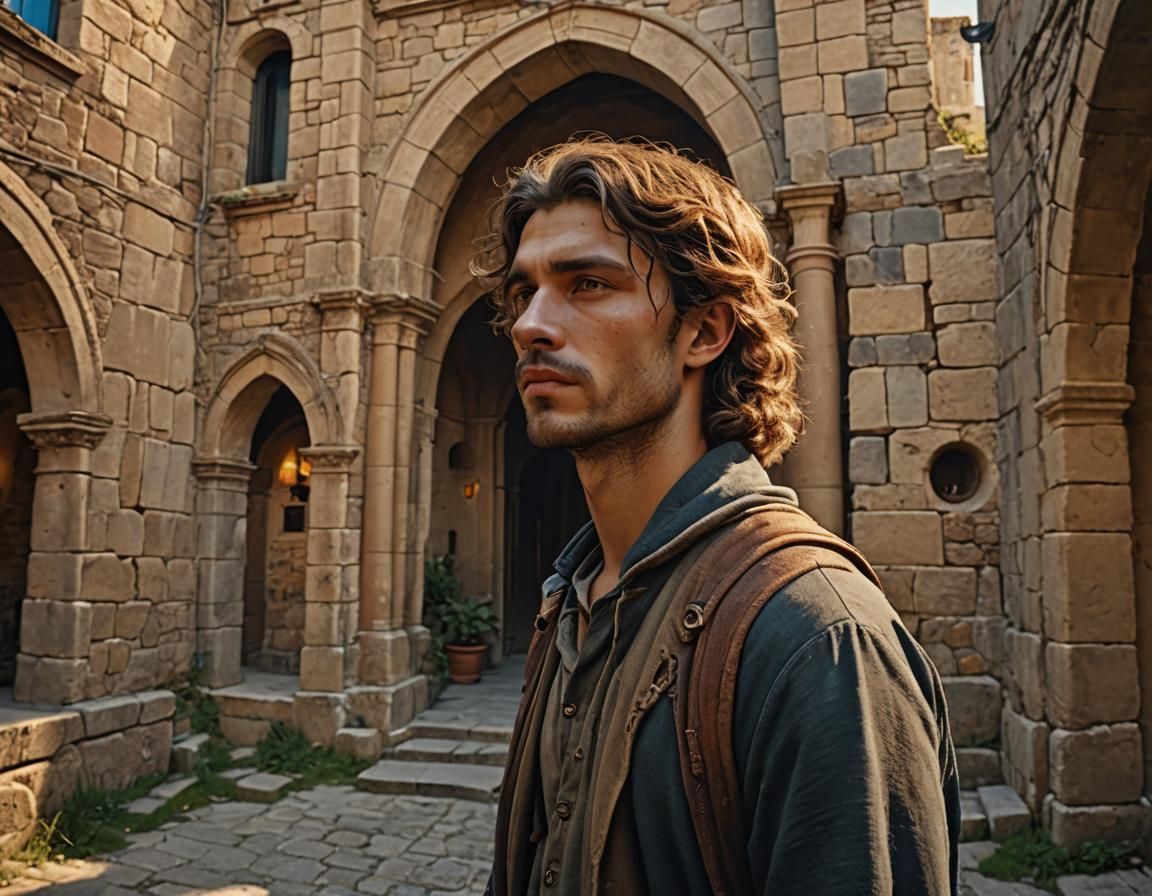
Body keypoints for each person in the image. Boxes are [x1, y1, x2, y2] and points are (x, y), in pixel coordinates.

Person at [475, 137, 960, 896]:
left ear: (705, 331)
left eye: (589, 284)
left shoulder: (819, 640)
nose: (531, 323)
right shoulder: (571, 603)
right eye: (523, 292)